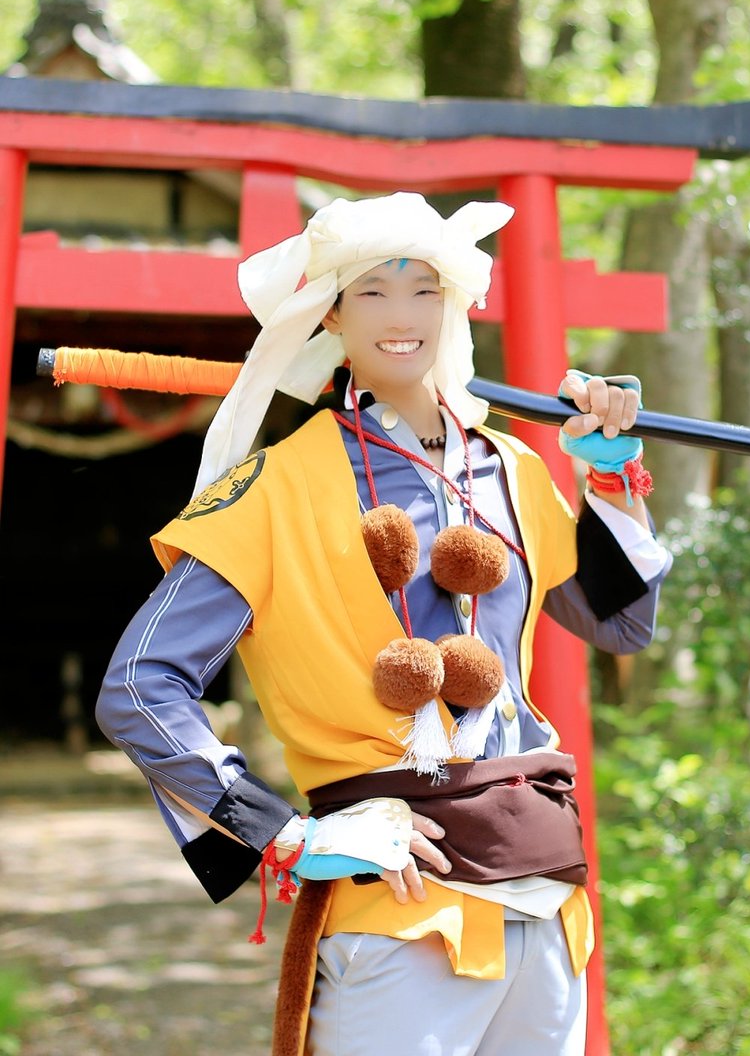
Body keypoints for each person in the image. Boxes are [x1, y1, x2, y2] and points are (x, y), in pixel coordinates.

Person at [96, 191, 671, 1056]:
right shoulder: (275, 489)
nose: (401, 315)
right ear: (330, 313)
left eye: (424, 289)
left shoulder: (513, 466)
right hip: (395, 906)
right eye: (372, 290)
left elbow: (621, 626)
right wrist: (285, 834)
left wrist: (611, 477)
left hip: (547, 899)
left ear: (455, 303)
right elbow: (138, 688)